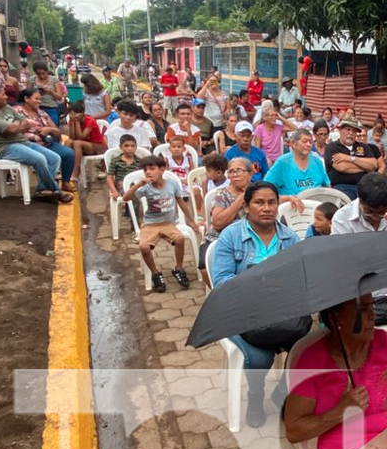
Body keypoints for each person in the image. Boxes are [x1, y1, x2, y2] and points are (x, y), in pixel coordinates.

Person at [210, 180, 305, 426]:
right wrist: (259, 285)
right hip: (243, 310)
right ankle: (255, 395)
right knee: (260, 358)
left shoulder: (289, 237)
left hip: (280, 309)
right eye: (259, 202)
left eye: (271, 202)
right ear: (247, 206)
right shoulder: (231, 235)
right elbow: (221, 281)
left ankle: (282, 391)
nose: (266, 208)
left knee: (308, 345)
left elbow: (298, 278)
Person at [284, 294, 387, 449]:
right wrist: (340, 412)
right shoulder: (312, 362)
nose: (372, 315)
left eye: (371, 306)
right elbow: (294, 431)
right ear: (334, 317)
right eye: (361, 310)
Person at [332, 173, 387, 326]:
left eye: (381, 213)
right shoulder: (342, 218)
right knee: (349, 328)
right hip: (361, 299)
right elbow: (345, 264)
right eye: (370, 212)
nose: (375, 217)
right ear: (359, 200)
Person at [0, 84, 71, 203]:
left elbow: (23, 123)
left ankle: (42, 190)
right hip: (5, 147)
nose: (6, 97)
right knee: (39, 159)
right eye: (3, 94)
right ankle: (57, 191)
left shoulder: (6, 107)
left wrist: (15, 127)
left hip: (22, 141)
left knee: (54, 158)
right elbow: (11, 129)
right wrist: (15, 127)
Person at [122, 155, 196, 293]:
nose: (148, 172)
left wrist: (191, 220)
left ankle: (178, 268)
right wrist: (138, 184)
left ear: (162, 169)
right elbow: (126, 198)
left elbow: (181, 202)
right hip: (151, 225)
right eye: (145, 170)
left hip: (168, 223)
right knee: (144, 247)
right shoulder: (146, 188)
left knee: (180, 239)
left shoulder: (172, 184)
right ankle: (156, 273)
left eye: (152, 168)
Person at [16, 87, 77, 190]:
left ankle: (65, 182)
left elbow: (57, 132)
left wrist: (49, 129)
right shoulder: (17, 112)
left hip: (46, 143)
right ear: (26, 99)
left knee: (69, 153)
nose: (39, 102)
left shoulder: (42, 113)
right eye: (36, 99)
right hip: (28, 144)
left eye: (40, 99)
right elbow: (15, 130)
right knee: (49, 157)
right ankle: (44, 188)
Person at [325, 118, 382, 199]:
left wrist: (350, 158)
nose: (351, 133)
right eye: (348, 129)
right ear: (340, 130)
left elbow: (374, 164)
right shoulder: (332, 147)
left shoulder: (363, 146)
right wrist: (365, 167)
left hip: (365, 185)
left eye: (354, 131)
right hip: (342, 186)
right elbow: (342, 167)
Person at [263, 128, 330, 196]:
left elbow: (327, 186)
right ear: (293, 144)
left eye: (310, 142)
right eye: (304, 141)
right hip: (293, 204)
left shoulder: (317, 161)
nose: (308, 144)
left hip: (317, 202)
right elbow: (267, 186)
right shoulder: (283, 162)